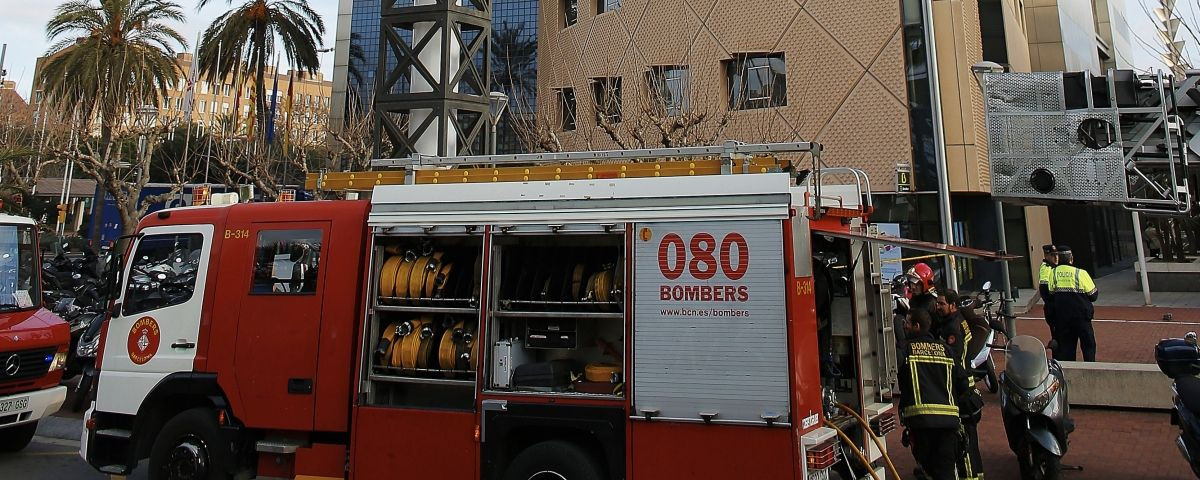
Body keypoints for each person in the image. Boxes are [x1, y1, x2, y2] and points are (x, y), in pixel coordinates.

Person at [898, 308, 973, 480]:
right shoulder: (946, 350)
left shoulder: (906, 350)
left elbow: (900, 381)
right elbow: (963, 382)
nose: (904, 327)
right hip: (948, 424)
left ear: (917, 326)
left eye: (907, 323)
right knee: (945, 471)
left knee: (927, 470)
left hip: (920, 423)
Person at [935, 290, 983, 480]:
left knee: (964, 440)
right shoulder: (958, 320)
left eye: (941, 304)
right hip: (966, 385)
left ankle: (970, 477)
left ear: (953, 305)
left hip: (961, 389)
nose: (938, 307)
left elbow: (953, 361)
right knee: (970, 439)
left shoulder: (952, 329)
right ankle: (976, 474)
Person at [1048, 245, 1099, 361]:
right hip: (1081, 316)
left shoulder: (1053, 273)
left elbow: (1051, 293)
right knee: (1088, 346)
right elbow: (1093, 295)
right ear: (1071, 258)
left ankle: (1069, 373)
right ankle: (1090, 370)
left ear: (1058, 259)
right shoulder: (1080, 273)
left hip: (1062, 318)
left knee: (1067, 349)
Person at [1038, 245, 1059, 338]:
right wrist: (1053, 304)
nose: (1056, 257)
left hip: (1056, 306)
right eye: (1053, 255)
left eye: (1057, 255)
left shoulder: (1054, 266)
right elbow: (1043, 289)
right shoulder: (1046, 268)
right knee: (1057, 337)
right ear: (1046, 256)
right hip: (1053, 308)